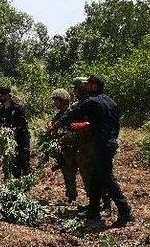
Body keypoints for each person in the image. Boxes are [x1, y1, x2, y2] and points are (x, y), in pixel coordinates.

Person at [51, 75, 132, 228]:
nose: (85, 87)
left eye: (88, 84)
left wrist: (58, 124)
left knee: (107, 178)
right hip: (109, 142)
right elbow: (116, 125)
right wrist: (112, 139)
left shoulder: (92, 101)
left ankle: (124, 210)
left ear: (94, 85)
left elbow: (75, 114)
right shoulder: (110, 101)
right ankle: (93, 210)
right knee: (95, 177)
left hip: (101, 144)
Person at [70, 77, 111, 216]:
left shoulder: (93, 103)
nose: (75, 91)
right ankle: (93, 204)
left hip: (95, 143)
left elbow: (97, 123)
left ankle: (105, 204)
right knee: (87, 174)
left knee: (99, 174)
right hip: (84, 144)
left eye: (76, 89)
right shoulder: (80, 104)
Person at [0, 87, 31, 178]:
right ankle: (10, 185)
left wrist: (11, 131)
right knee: (8, 165)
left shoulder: (18, 108)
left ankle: (25, 188)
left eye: (0, 96)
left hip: (21, 142)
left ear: (7, 96)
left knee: (23, 166)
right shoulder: (2, 109)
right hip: (8, 143)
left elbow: (22, 125)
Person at [50, 88, 79, 203]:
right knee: (67, 174)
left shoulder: (73, 112)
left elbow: (76, 130)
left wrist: (66, 137)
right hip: (64, 150)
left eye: (56, 100)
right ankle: (71, 196)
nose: (54, 103)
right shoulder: (57, 116)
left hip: (76, 148)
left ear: (63, 100)